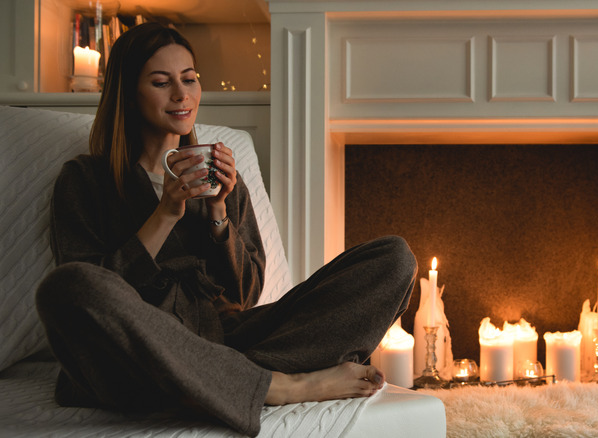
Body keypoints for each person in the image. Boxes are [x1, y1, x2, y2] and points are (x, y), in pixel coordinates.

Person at [35, 22, 416, 436]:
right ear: (127, 92)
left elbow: (244, 295)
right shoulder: (86, 179)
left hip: (226, 341)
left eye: (190, 79)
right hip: (136, 351)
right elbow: (95, 292)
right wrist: (166, 213)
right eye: (162, 82)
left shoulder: (220, 178)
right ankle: (280, 385)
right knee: (66, 287)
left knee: (394, 258)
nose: (182, 95)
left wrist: (218, 210)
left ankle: (214, 382)